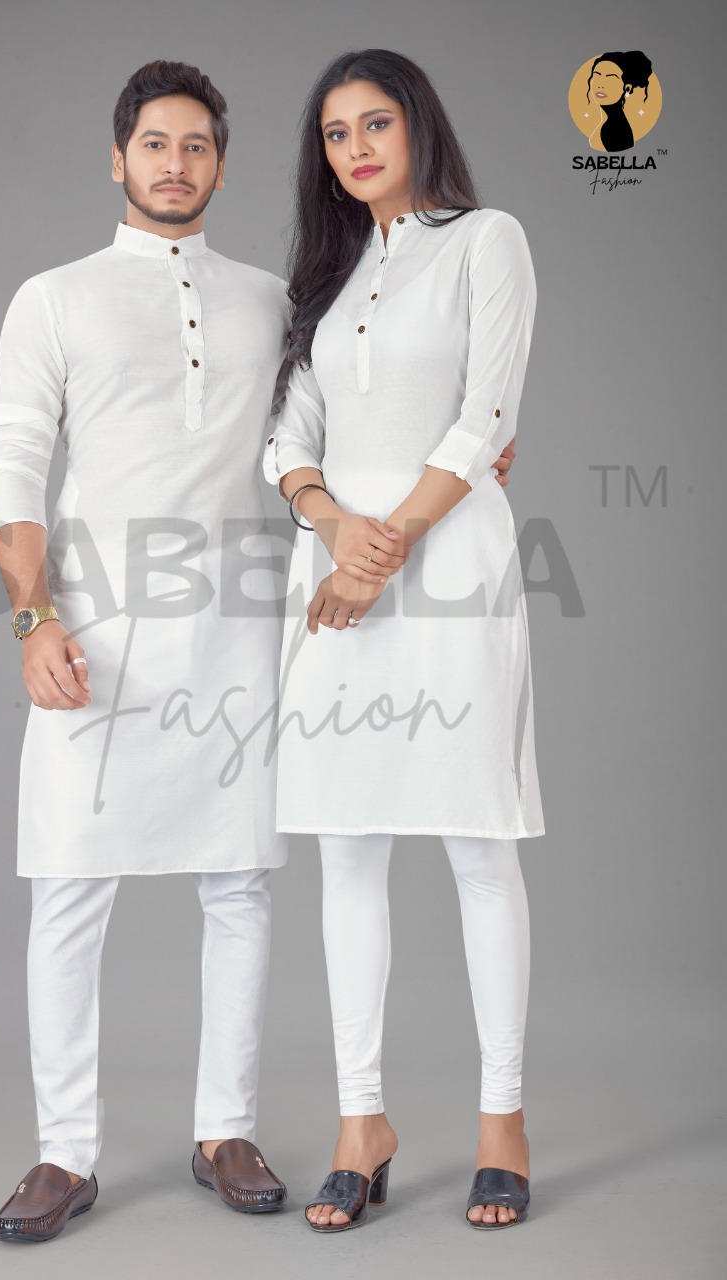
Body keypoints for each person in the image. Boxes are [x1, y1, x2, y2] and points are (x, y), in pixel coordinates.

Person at [0, 59, 293, 1243]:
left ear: (221, 164)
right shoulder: (53, 298)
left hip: (235, 630)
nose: (175, 163)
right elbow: (16, 472)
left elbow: (323, 432)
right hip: (95, 632)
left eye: (196, 145)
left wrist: (475, 451)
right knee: (70, 885)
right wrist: (35, 619)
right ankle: (64, 1150)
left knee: (241, 882)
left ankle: (226, 1128)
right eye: (155, 144)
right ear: (117, 158)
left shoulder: (270, 300)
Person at [262, 48, 544, 1233]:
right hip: (337, 576)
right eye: (335, 134)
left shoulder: (486, 241)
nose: (356, 149)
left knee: (478, 843)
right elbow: (287, 440)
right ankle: (360, 1121)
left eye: (374, 123)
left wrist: (389, 547)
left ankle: (501, 1118)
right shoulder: (327, 279)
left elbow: (486, 413)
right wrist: (339, 533)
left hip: (451, 563)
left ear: (418, 125)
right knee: (347, 849)